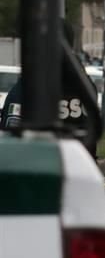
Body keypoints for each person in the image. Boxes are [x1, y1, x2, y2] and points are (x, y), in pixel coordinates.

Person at [1, 19, 99, 158]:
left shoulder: (30, 85)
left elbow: (10, 136)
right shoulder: (85, 86)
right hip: (78, 164)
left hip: (39, 164)